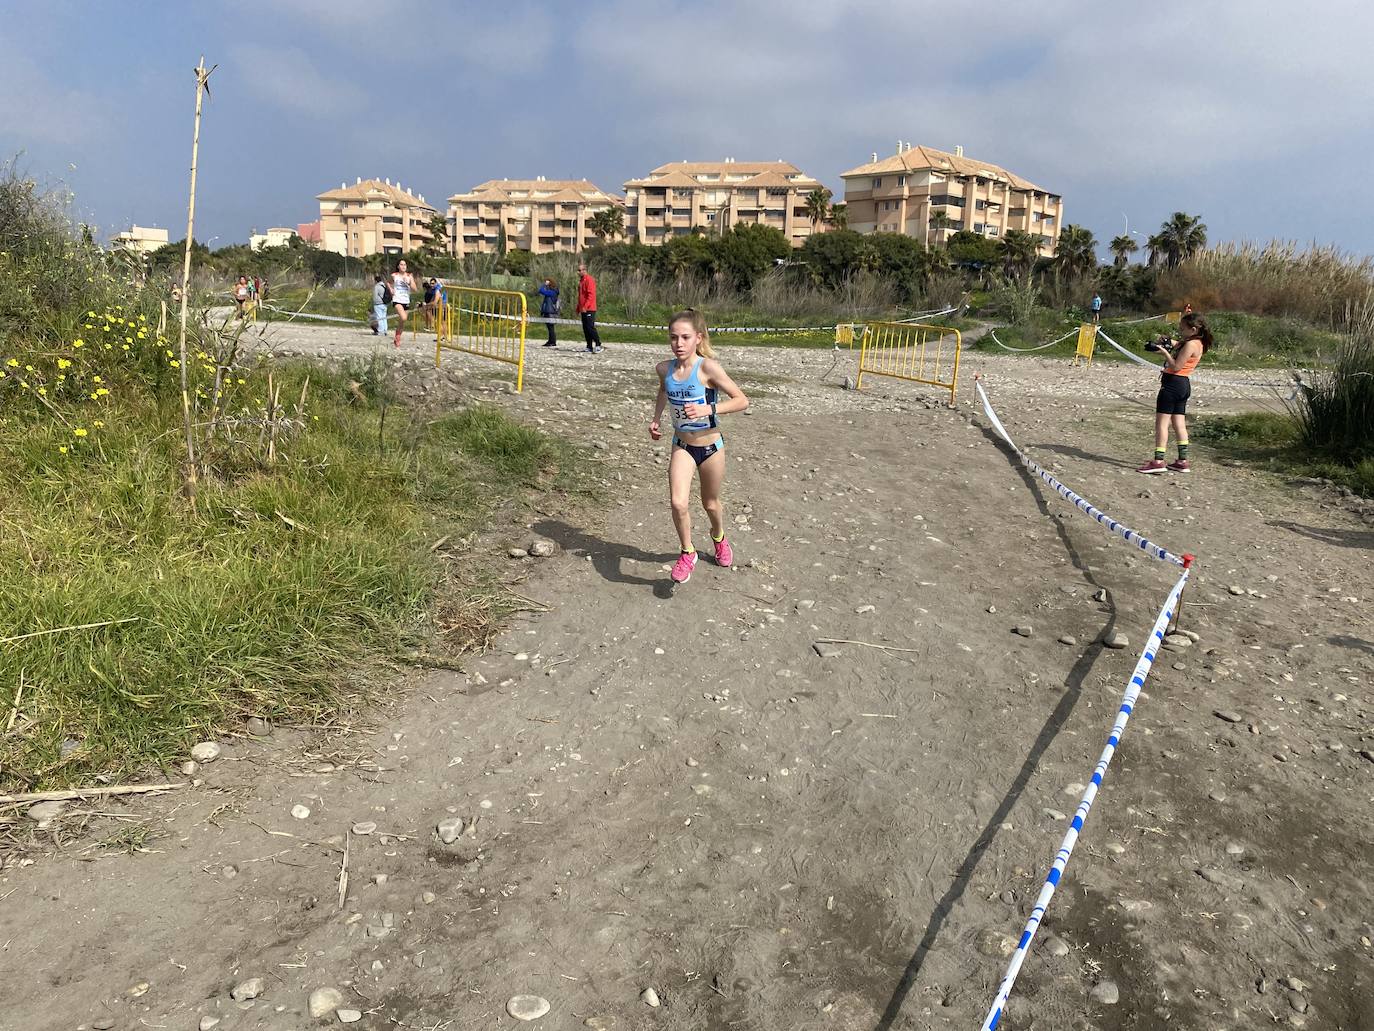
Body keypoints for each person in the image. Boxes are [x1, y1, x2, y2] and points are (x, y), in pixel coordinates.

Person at [649, 310, 749, 585]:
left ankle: (718, 537)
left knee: (710, 503)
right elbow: (662, 391)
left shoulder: (708, 368)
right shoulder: (663, 368)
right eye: (673, 337)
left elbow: (742, 400)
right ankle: (687, 552)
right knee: (677, 502)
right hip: (681, 444)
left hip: (711, 447)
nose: (678, 343)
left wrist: (709, 407)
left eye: (685, 337)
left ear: (698, 338)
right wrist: (656, 419)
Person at [1137, 311, 1211, 474]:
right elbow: (1177, 345)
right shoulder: (1196, 343)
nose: (1180, 331)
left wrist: (1165, 353)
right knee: (1179, 423)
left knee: (1162, 424)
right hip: (1183, 385)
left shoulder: (1191, 344)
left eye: (1182, 328)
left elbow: (1176, 366)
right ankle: (1182, 460)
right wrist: (1165, 343)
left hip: (1173, 384)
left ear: (1193, 329)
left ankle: (1158, 460)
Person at [577, 262, 603, 353]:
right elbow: (580, 296)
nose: (578, 272)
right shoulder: (581, 281)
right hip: (583, 308)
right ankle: (589, 346)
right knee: (585, 328)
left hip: (589, 308)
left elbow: (591, 295)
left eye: (580, 270)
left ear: (585, 270)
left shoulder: (589, 280)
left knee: (590, 327)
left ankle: (598, 344)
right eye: (578, 270)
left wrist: (586, 306)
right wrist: (578, 307)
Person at [391, 259, 416, 348]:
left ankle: (397, 338)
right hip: (397, 300)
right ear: (398, 266)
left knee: (402, 322)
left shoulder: (409, 276)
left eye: (404, 265)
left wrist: (409, 282)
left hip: (406, 300)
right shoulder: (394, 275)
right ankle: (397, 336)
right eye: (401, 264)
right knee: (403, 317)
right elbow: (387, 282)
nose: (403, 266)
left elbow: (414, 289)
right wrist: (391, 289)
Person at [537, 277, 560, 347]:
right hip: (548, 311)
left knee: (550, 327)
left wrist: (544, 285)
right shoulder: (552, 292)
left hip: (550, 312)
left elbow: (541, 290)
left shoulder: (552, 292)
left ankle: (552, 341)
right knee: (550, 327)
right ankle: (551, 341)